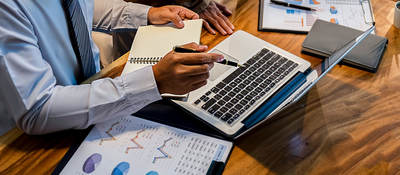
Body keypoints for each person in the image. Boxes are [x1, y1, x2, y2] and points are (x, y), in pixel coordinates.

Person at [0, 0, 224, 135]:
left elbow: (81, 6)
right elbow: (37, 110)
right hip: (39, 135)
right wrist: (154, 80)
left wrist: (145, 14)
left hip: (96, 95)